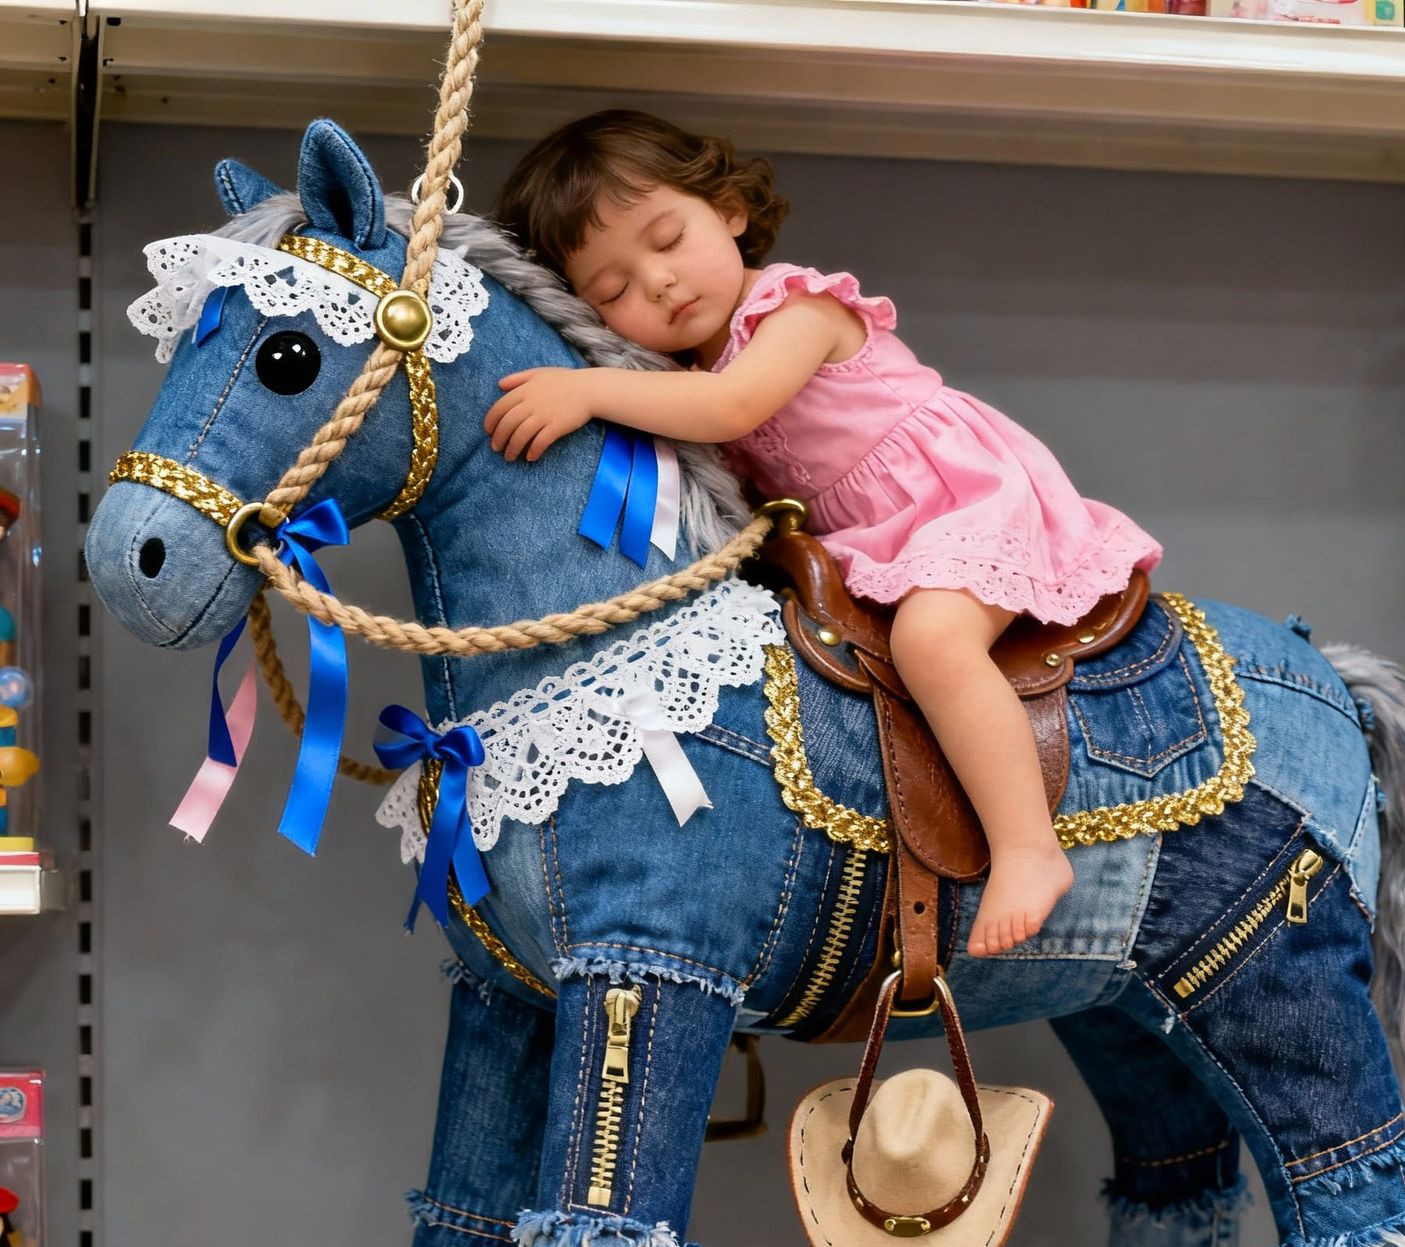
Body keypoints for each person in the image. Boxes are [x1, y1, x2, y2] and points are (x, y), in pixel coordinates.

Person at [489, 111, 1161, 957]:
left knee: (933, 641)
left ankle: (1028, 847)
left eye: (668, 238)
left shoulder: (794, 307)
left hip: (955, 496)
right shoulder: (687, 374)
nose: (656, 284)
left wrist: (583, 393)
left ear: (729, 208)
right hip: (870, 534)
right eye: (613, 291)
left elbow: (733, 410)